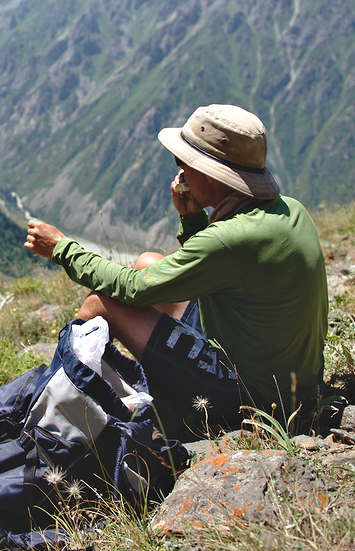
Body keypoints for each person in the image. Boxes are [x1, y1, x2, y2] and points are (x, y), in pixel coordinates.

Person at [24, 104, 327, 439]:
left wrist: (61, 248)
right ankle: (129, 389)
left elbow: (135, 289)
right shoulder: (290, 210)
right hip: (290, 381)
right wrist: (193, 219)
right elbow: (224, 273)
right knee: (148, 262)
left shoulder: (229, 238)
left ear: (212, 175)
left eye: (184, 161)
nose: (180, 171)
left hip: (257, 401)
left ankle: (67, 423)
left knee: (101, 305)